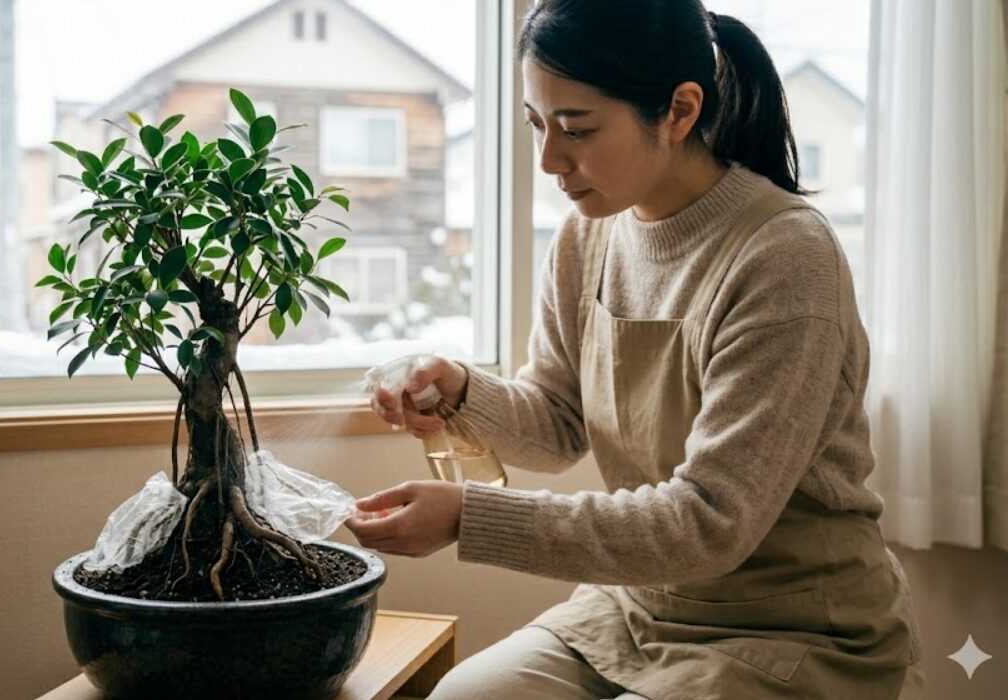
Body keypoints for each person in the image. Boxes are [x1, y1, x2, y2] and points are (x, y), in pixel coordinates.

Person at [343, 1, 924, 698]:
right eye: (536, 123)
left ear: (679, 111)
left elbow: (710, 521)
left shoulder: (784, 257)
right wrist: (461, 389)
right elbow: (559, 425)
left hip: (792, 630)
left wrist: (470, 517)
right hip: (634, 608)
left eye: (576, 128)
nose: (550, 159)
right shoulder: (588, 237)